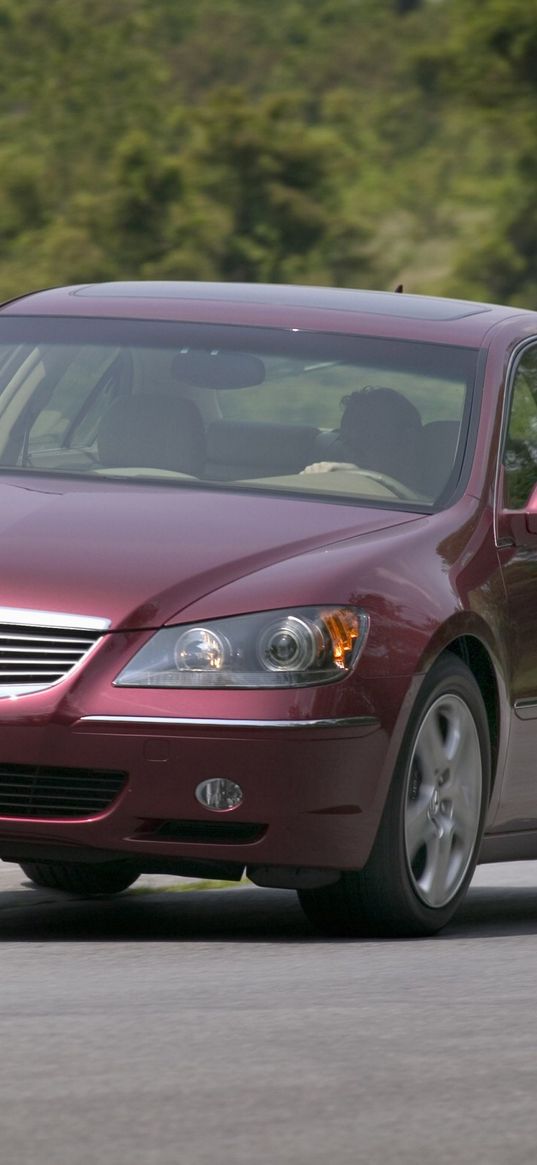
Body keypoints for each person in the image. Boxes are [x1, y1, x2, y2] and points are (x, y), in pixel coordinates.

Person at [303, 386, 422, 487]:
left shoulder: (437, 494)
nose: (355, 452)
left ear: (408, 440)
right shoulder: (336, 484)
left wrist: (362, 476)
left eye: (369, 440)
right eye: (347, 442)